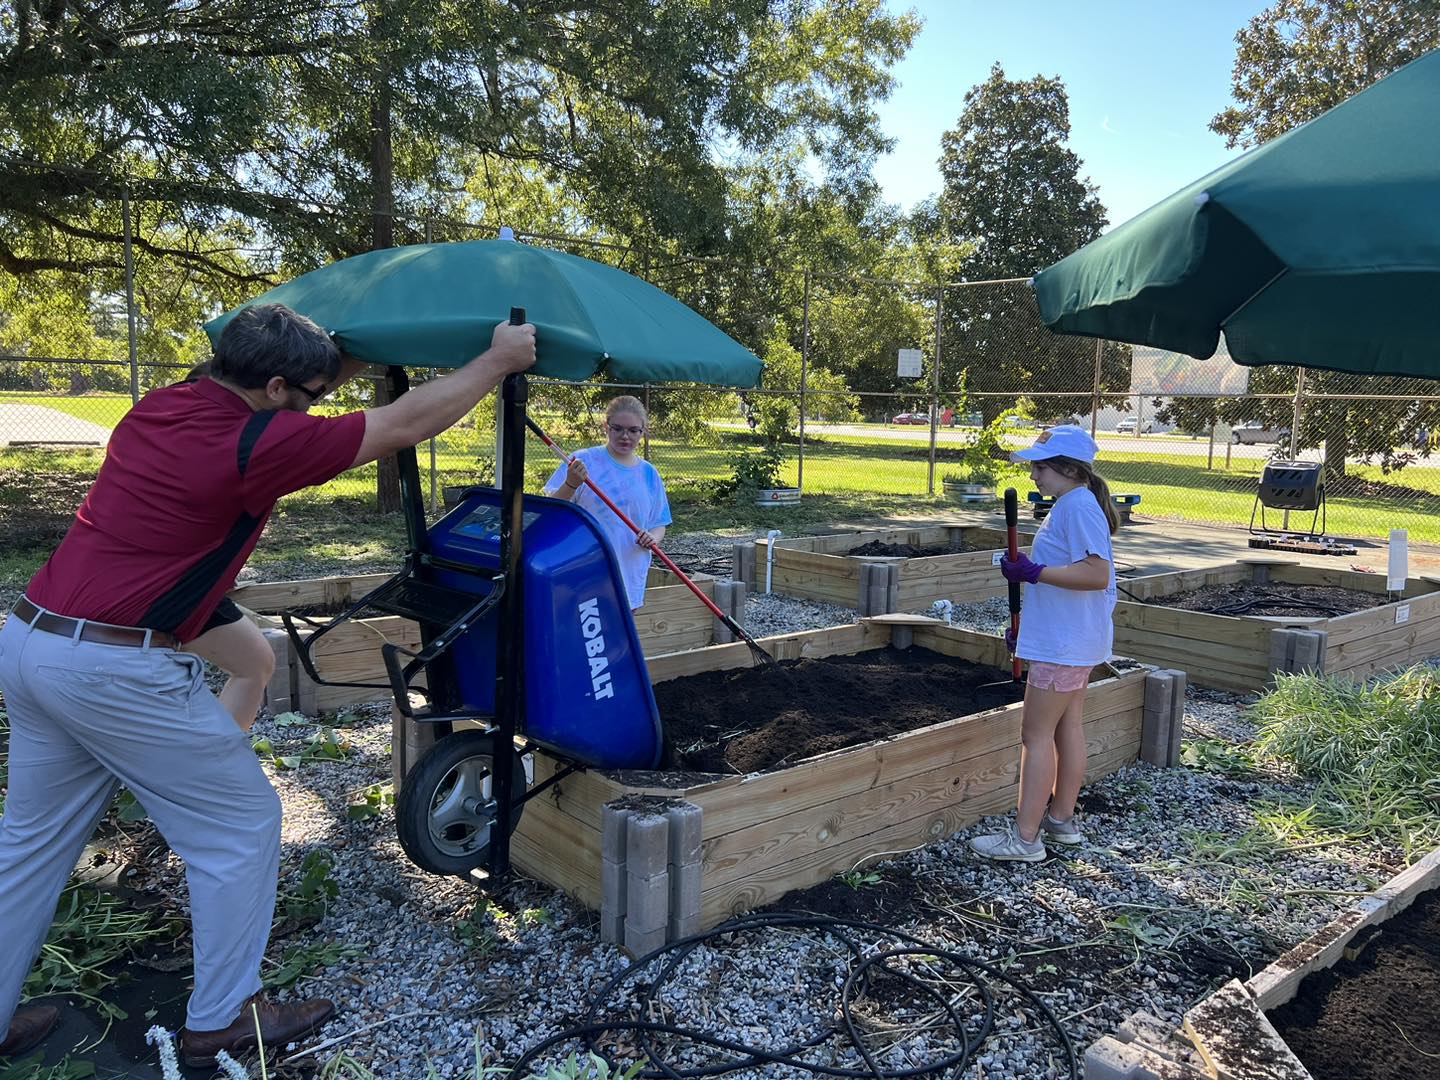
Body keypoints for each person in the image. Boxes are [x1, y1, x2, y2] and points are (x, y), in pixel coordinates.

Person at [0, 303, 535, 1065]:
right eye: (310, 394)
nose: (319, 406)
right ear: (276, 386)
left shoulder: (168, 404)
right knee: (241, 827)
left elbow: (296, 390)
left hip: (30, 638)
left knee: (27, 847)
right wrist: (496, 363)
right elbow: (402, 425)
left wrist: (331, 356)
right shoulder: (256, 446)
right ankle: (221, 1017)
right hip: (113, 669)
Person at [969, 425, 1118, 862]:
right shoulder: (1073, 503)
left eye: (1040, 466)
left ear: (1068, 469)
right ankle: (1060, 821)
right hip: (1068, 640)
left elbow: (1096, 575)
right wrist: (1029, 624)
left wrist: (1033, 573)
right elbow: (1070, 577)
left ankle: (1026, 838)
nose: (1033, 475)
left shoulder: (1077, 508)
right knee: (1066, 728)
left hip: (1064, 645)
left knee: (1034, 736)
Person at [544, 396, 671, 611]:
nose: (625, 436)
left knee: (622, 639)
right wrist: (571, 483)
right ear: (606, 427)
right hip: (587, 570)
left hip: (630, 571)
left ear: (643, 431)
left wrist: (653, 538)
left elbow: (659, 523)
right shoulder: (583, 461)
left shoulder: (649, 473)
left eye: (633, 430)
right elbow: (550, 511)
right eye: (618, 428)